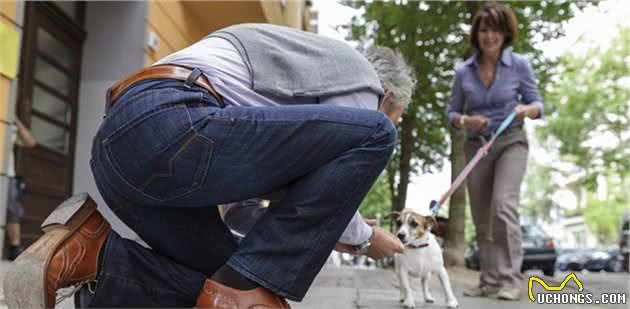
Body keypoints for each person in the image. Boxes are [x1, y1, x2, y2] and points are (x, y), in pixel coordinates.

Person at [8, 23, 414, 308]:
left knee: (222, 283)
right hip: (168, 124)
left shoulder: (295, 86)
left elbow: (242, 213)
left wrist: (323, 229)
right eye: (391, 113)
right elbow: (367, 133)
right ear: (387, 96)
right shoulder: (359, 79)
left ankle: (92, 254)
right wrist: (362, 239)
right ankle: (252, 297)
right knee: (376, 135)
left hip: (121, 149)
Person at [446, 3, 544, 301]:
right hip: (477, 146)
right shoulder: (464, 72)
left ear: (505, 33)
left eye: (495, 30)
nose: (489, 36)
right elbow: (451, 112)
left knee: (503, 205)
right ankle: (488, 280)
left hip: (510, 142)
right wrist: (466, 120)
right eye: (484, 29)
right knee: (482, 217)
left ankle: (510, 278)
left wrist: (526, 109)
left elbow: (538, 104)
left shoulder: (519, 65)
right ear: (477, 34)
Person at [2, 117, 36, 261]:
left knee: (13, 211)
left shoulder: (9, 124)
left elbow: (30, 142)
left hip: (7, 174)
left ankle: (15, 248)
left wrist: (15, 120)